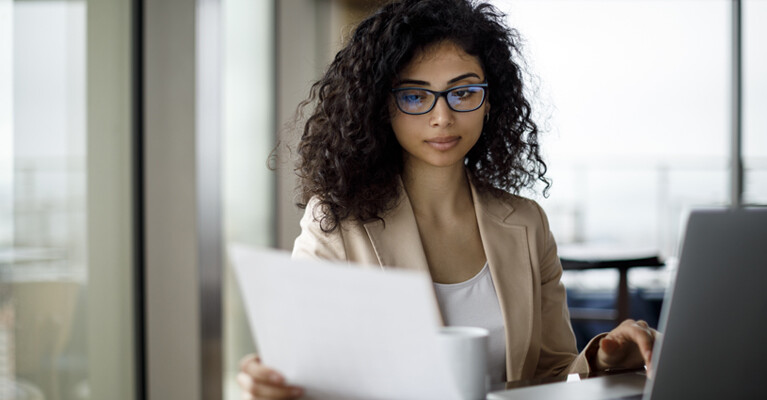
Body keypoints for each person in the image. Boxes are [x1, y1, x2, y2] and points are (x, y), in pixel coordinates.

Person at [238, 0, 657, 398]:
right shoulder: (335, 222)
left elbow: (549, 374)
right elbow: (311, 374)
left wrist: (604, 357)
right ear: (383, 106)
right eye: (416, 96)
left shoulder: (527, 223)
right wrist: (275, 386)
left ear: (489, 100)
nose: (443, 117)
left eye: (463, 92)